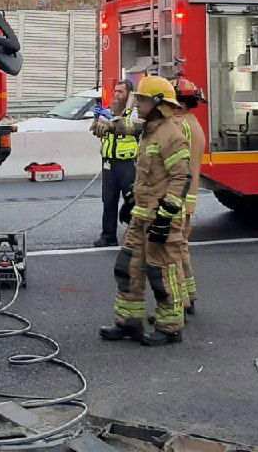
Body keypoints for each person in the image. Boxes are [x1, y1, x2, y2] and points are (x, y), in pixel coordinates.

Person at [98, 76, 192, 346]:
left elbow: (180, 179)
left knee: (162, 274)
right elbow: (128, 125)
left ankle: (170, 327)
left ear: (158, 104)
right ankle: (129, 322)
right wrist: (107, 125)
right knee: (128, 268)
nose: (136, 103)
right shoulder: (149, 129)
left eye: (142, 99)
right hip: (141, 216)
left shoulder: (172, 135)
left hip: (161, 220)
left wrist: (167, 214)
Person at [171, 76, 207, 316]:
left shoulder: (179, 126)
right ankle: (190, 296)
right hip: (187, 201)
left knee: (171, 254)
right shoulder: (194, 124)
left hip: (176, 201)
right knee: (182, 250)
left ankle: (179, 302)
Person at [90, 80, 140, 247]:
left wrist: (112, 124)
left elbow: (132, 127)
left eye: (121, 92)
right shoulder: (109, 110)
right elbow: (96, 130)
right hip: (109, 163)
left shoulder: (135, 113)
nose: (117, 94)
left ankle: (135, 237)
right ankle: (108, 236)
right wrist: (97, 121)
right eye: (116, 91)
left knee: (132, 200)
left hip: (127, 163)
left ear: (129, 94)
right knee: (108, 200)